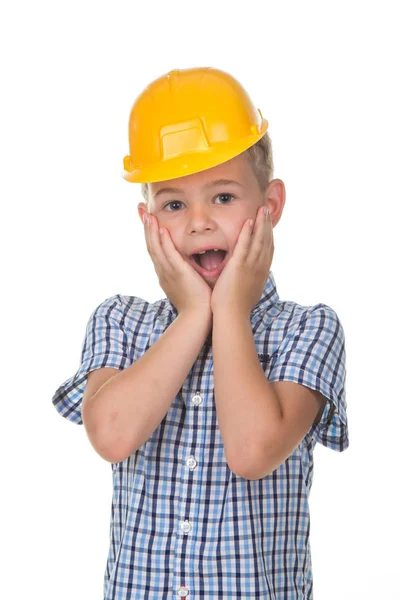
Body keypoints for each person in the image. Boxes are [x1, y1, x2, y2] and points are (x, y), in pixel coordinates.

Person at [52, 67, 349, 599]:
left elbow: (253, 451)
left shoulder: (308, 328)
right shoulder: (119, 319)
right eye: (173, 204)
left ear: (271, 205)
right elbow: (112, 436)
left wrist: (229, 312)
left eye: (223, 197)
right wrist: (193, 316)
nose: (198, 222)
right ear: (147, 221)